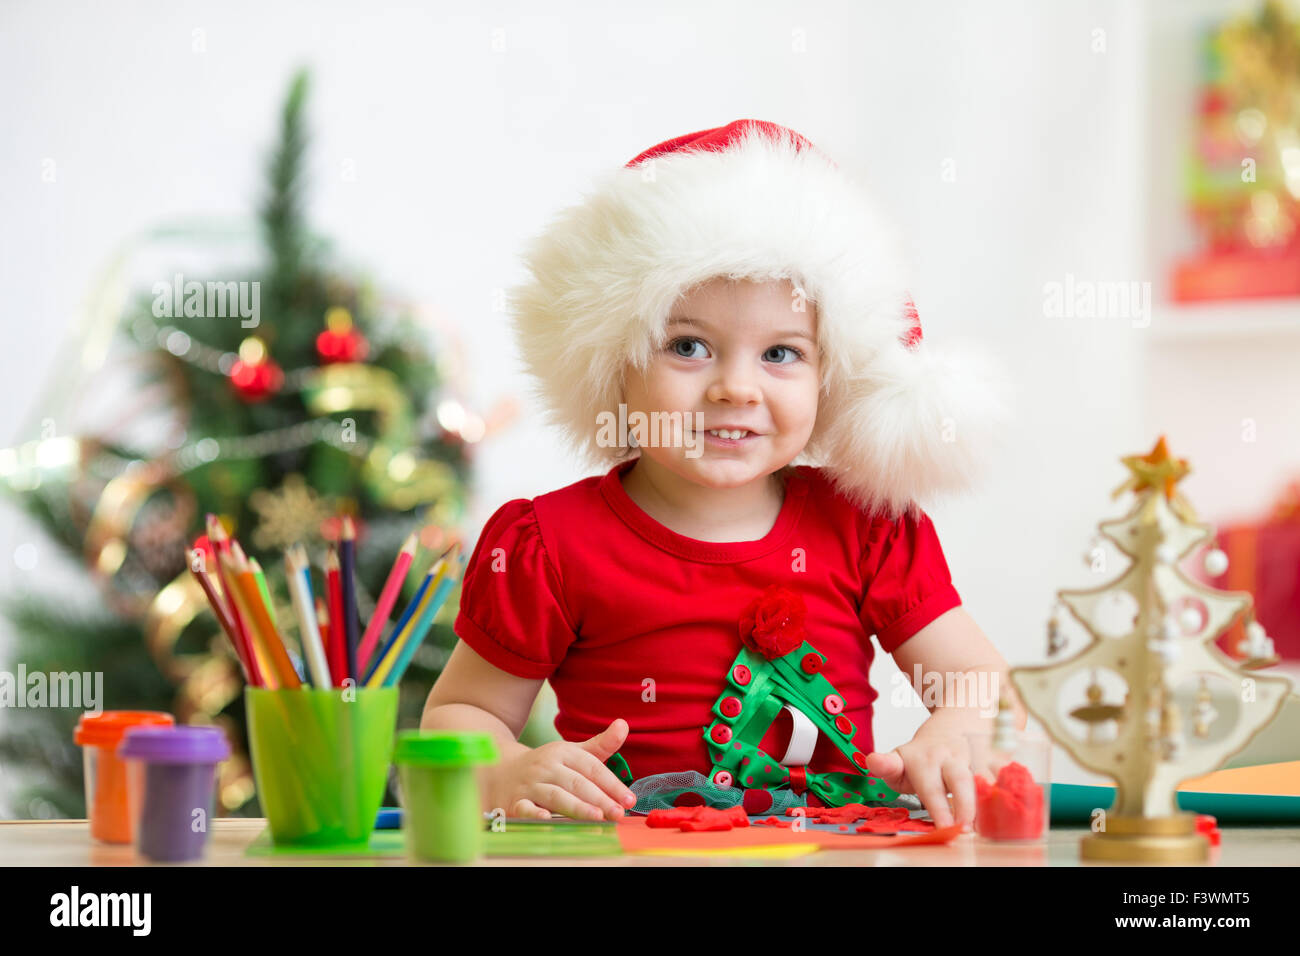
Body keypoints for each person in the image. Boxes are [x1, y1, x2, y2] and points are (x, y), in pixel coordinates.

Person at [422, 119, 1016, 829]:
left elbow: (981, 681)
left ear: (832, 375)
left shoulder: (865, 525)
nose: (736, 387)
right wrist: (509, 769)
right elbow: (462, 713)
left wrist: (956, 729)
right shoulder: (549, 543)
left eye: (781, 353)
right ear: (616, 362)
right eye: (689, 345)